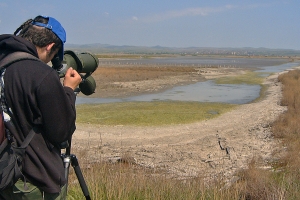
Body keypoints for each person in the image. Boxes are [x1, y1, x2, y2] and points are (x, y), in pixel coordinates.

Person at [0, 15, 82, 199]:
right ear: (50, 47)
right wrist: (68, 90)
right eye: (53, 57)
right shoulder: (41, 74)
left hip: (3, 171)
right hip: (32, 180)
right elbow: (62, 133)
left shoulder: (3, 64)